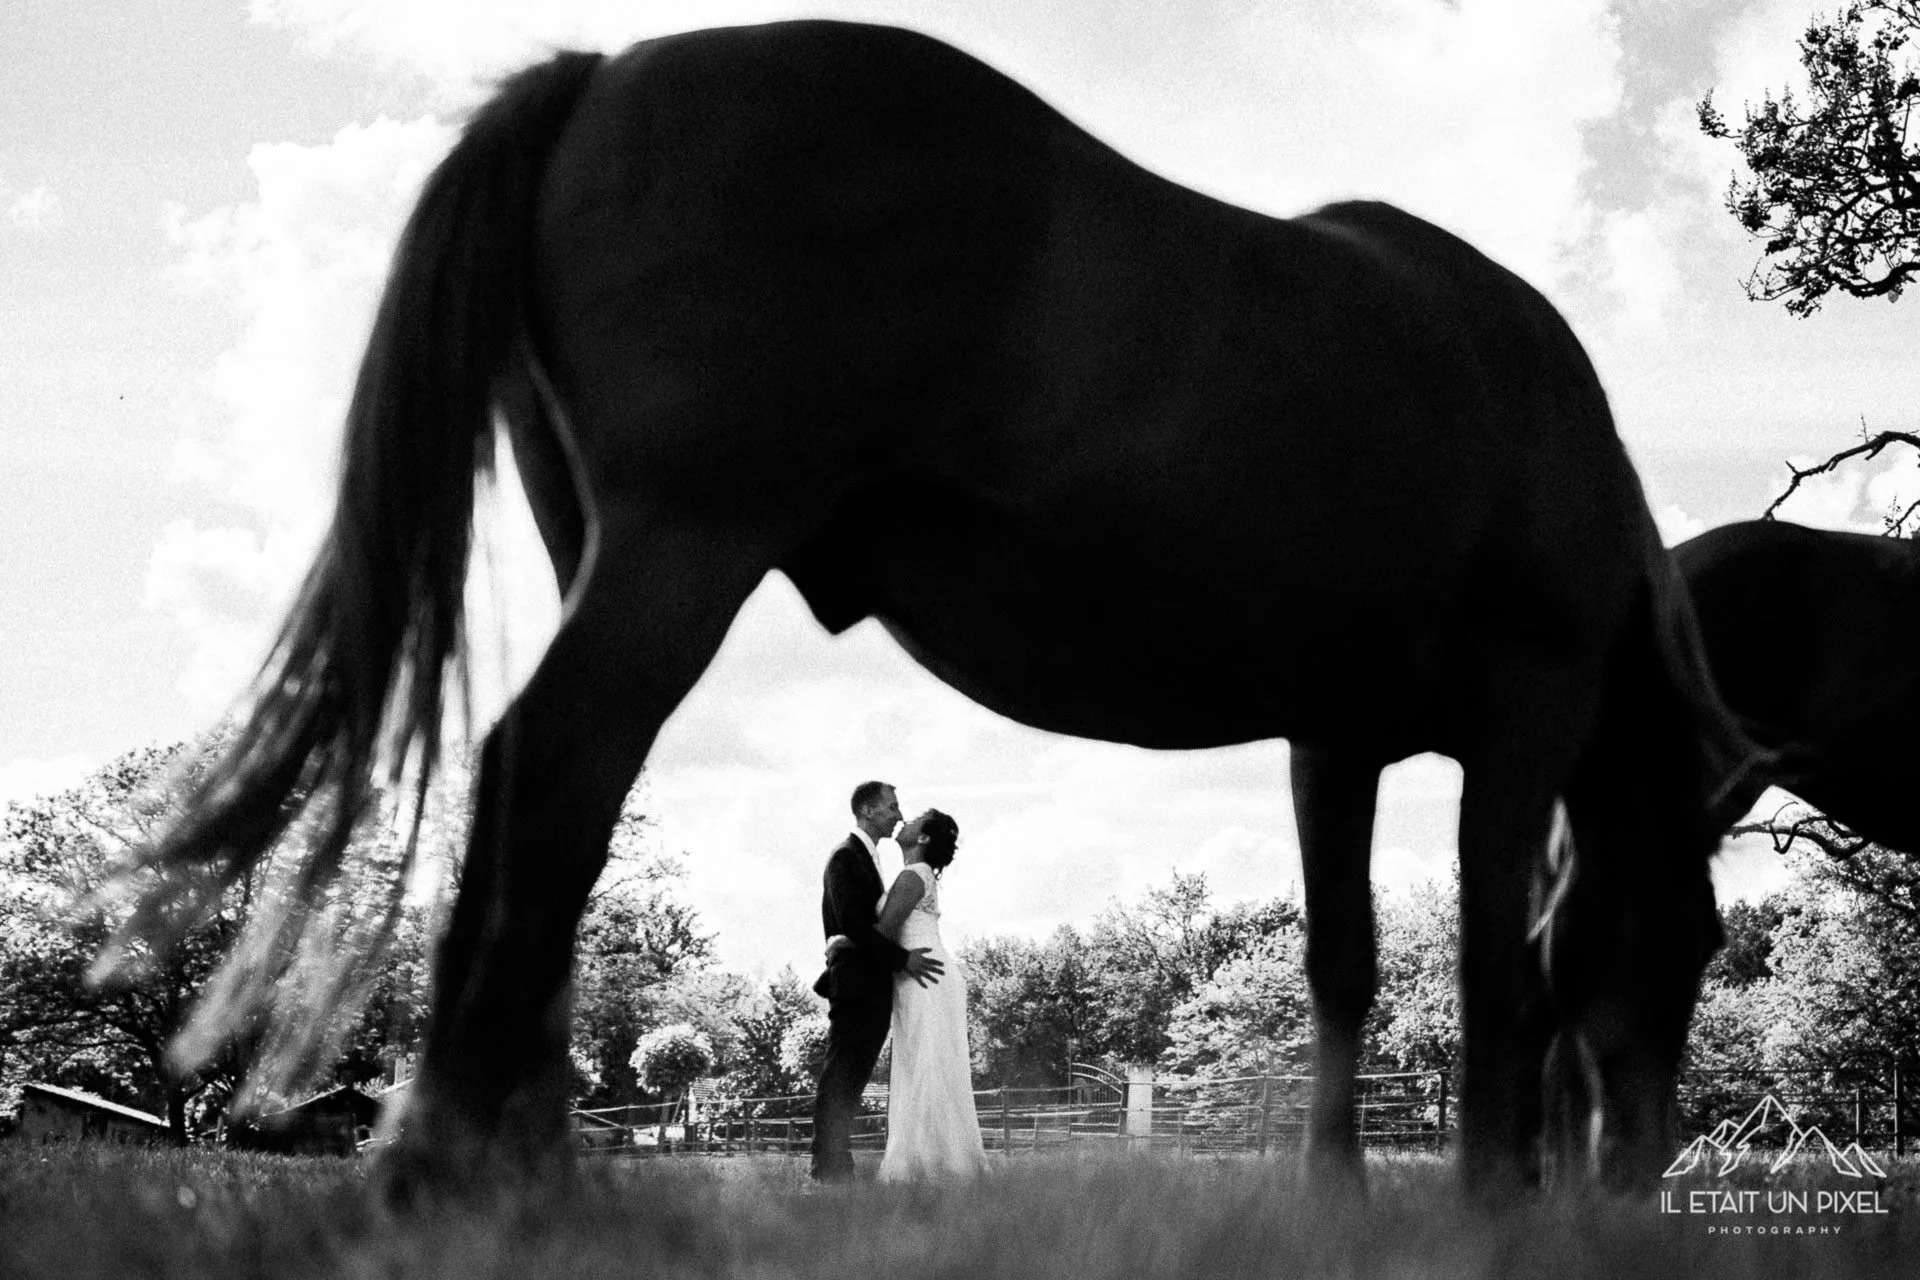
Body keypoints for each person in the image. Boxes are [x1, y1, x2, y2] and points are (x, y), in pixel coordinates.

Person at [832, 808, 989, 1182]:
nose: (905, 821)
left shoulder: (912, 875)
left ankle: (934, 1166)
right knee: (923, 1062)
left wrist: (842, 941)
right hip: (918, 974)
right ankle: (935, 1161)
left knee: (927, 1063)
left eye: (916, 819)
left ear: (923, 838)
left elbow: (884, 932)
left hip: (924, 975)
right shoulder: (914, 876)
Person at [809, 781, 943, 1182]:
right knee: (841, 1074)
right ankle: (828, 1166)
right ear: (867, 810)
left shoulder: (866, 860)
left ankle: (837, 1163)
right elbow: (853, 923)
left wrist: (848, 943)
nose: (898, 814)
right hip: (856, 986)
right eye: (891, 806)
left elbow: (863, 927)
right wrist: (902, 959)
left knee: (853, 1077)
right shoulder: (845, 858)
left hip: (871, 984)